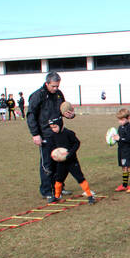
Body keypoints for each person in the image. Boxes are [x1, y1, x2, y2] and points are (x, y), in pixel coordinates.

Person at [27, 71, 75, 199]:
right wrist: (35, 134)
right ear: (47, 83)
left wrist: (70, 115)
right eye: (53, 86)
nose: (56, 88)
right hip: (45, 134)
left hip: (59, 134)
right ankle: (47, 191)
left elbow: (64, 110)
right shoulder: (38, 96)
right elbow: (31, 115)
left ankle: (58, 187)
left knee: (60, 161)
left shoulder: (59, 95)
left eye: (57, 86)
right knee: (47, 164)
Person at [46, 120, 96, 205]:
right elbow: (53, 147)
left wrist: (70, 154)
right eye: (52, 128)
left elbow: (77, 143)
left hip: (72, 162)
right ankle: (57, 196)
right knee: (58, 179)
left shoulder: (69, 133)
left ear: (60, 125)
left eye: (55, 127)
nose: (53, 129)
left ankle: (90, 196)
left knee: (80, 178)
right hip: (61, 162)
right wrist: (53, 155)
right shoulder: (53, 135)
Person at [112, 108, 130, 193]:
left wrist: (120, 138)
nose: (120, 121)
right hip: (121, 150)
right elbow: (119, 138)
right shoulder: (120, 127)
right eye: (119, 120)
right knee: (123, 167)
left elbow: (128, 139)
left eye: (122, 119)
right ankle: (124, 185)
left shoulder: (129, 127)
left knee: (129, 167)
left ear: (128, 118)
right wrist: (113, 139)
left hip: (127, 150)